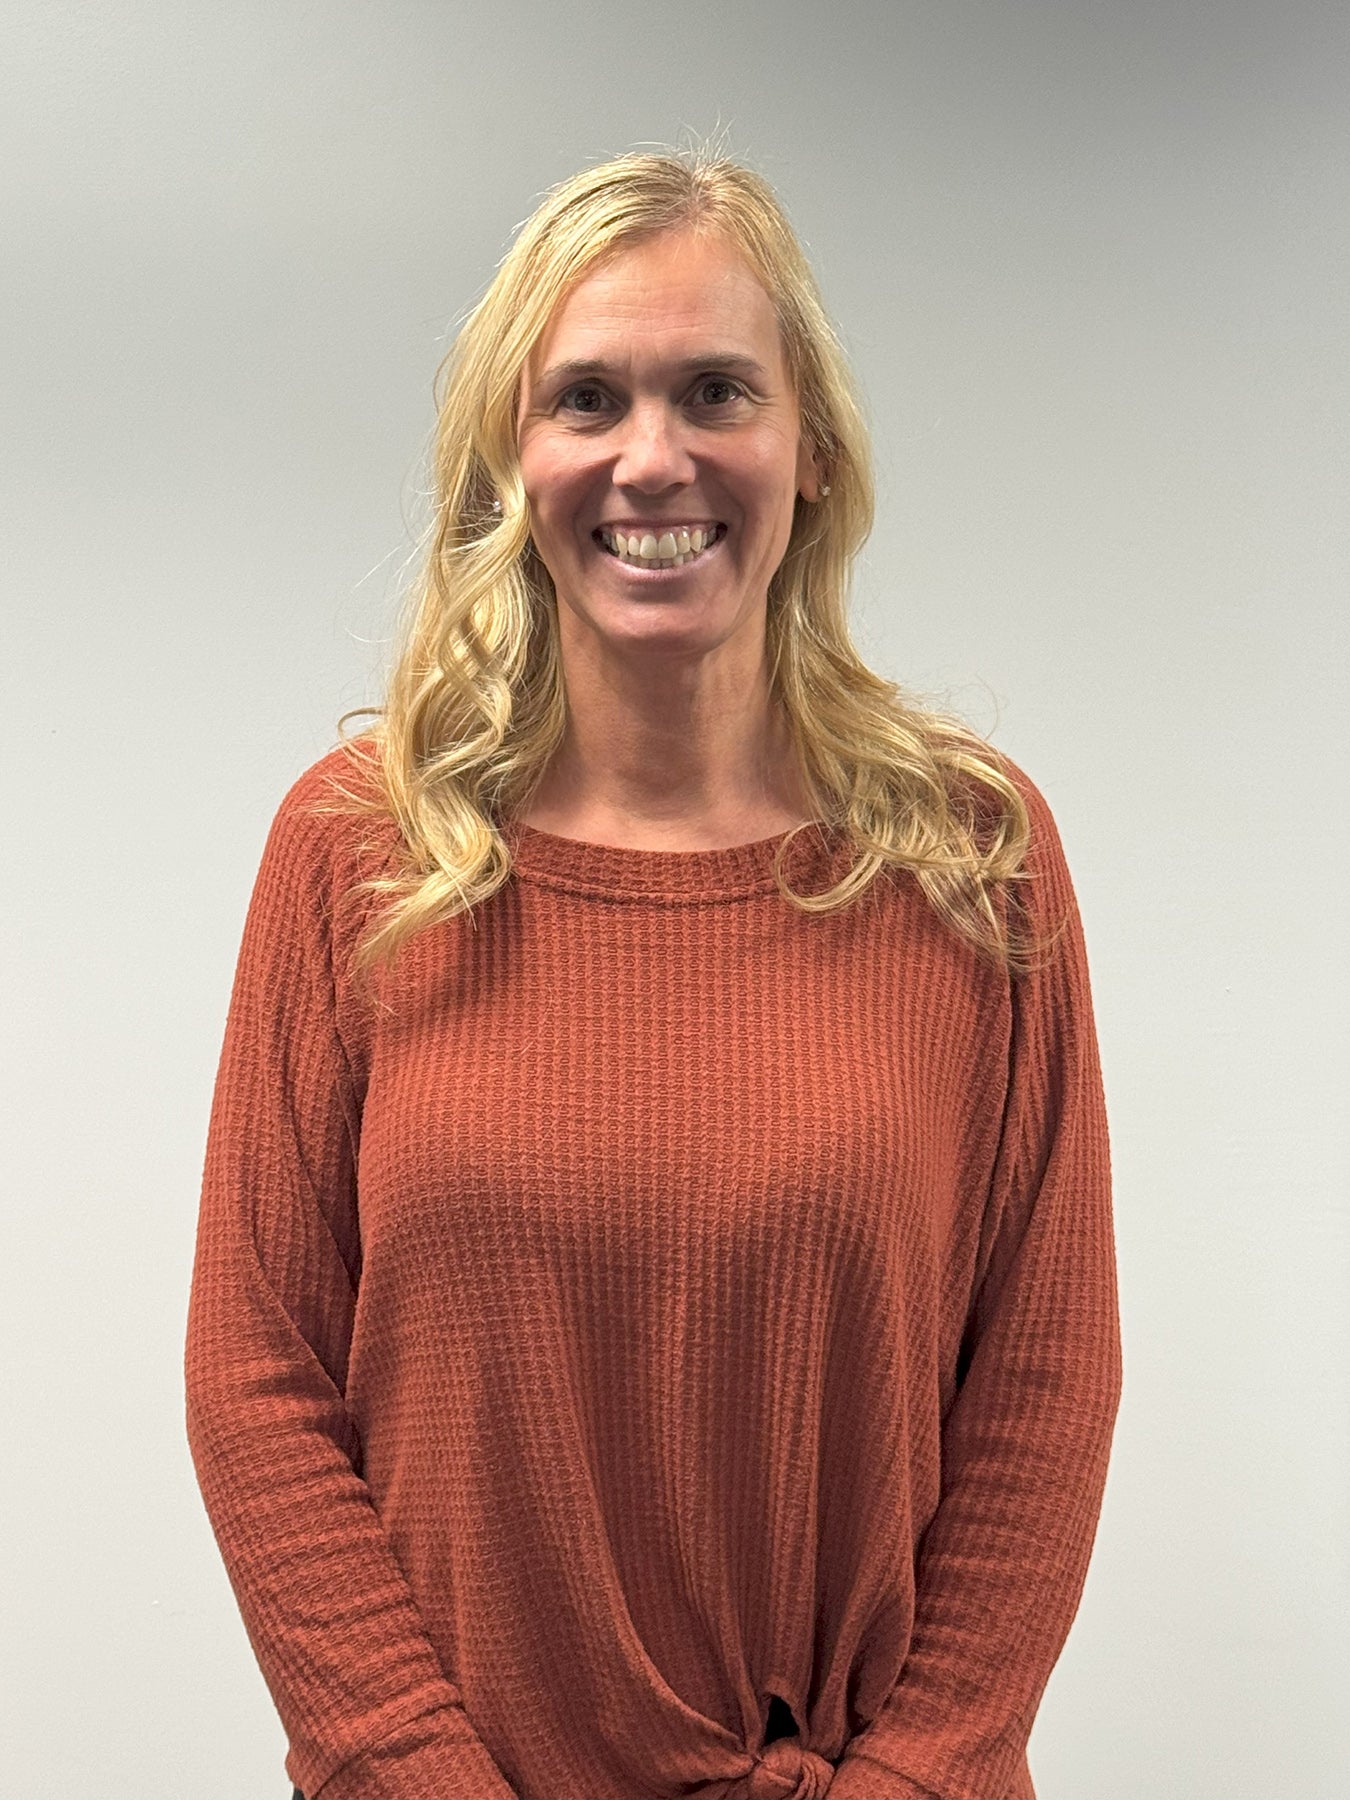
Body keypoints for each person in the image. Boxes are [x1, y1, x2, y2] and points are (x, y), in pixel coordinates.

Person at [185, 146, 1122, 1800]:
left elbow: (1041, 1385)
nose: (651, 456)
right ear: (509, 458)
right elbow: (256, 1380)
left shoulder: (969, 860)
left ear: (810, 451)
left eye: (712, 391)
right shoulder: (356, 854)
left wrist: (914, 1781)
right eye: (587, 400)